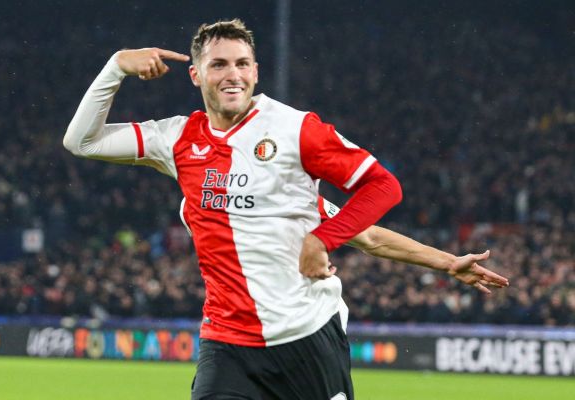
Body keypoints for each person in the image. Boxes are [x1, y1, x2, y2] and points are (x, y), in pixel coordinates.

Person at [64, 19, 507, 399]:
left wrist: (326, 240)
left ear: (256, 72)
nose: (232, 74)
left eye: (242, 64)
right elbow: (82, 141)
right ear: (196, 75)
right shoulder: (176, 139)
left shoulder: (297, 132)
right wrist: (116, 66)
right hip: (226, 344)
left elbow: (380, 199)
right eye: (219, 65)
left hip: (307, 339)